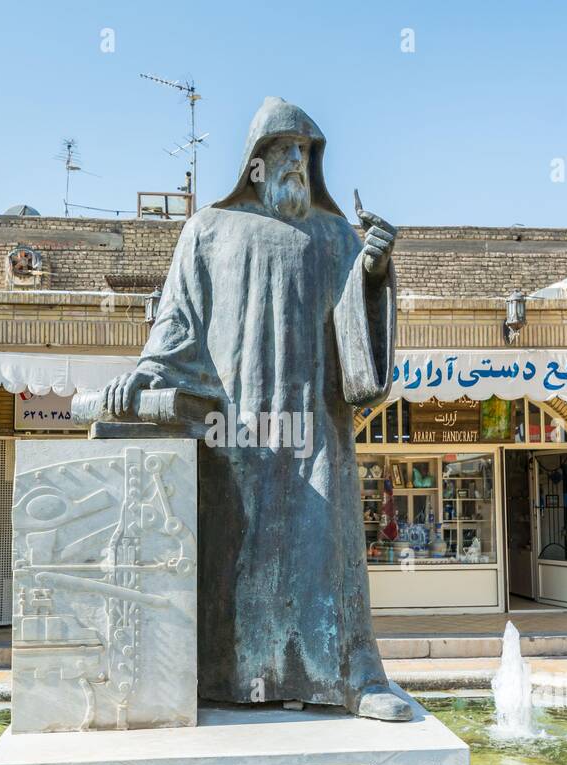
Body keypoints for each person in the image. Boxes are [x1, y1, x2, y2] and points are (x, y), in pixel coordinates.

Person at [98, 98, 409, 721]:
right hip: (231, 432)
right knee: (228, 555)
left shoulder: (333, 236)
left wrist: (373, 272)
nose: (297, 160)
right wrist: (144, 376)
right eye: (285, 149)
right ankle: (216, 675)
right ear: (256, 161)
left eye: (306, 151)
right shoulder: (208, 232)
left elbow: (358, 348)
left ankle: (350, 674)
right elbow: (177, 326)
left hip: (315, 429)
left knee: (323, 547)